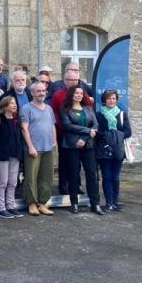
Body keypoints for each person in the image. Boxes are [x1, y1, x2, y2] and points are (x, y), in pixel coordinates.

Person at [59, 85, 103, 215]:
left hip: (88, 145)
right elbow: (67, 126)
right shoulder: (65, 109)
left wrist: (84, 137)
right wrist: (88, 131)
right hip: (72, 146)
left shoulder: (89, 109)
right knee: (73, 173)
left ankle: (95, 204)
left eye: (81, 93)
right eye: (76, 93)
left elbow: (95, 126)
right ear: (71, 95)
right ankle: (74, 203)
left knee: (91, 174)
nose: (79, 95)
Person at [51, 71, 93, 195]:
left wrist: (85, 131)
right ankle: (63, 185)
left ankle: (76, 185)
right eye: (70, 80)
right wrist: (61, 127)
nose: (73, 82)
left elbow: (89, 111)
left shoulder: (82, 94)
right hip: (63, 133)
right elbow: (54, 113)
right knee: (64, 161)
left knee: (78, 162)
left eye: (76, 80)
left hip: (82, 134)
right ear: (65, 80)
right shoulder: (58, 95)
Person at [20, 82, 57, 216]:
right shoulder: (26, 108)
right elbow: (24, 128)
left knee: (47, 177)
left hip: (48, 148)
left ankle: (42, 203)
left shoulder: (49, 108)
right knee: (31, 177)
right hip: (33, 149)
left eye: (43, 91)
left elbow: (52, 126)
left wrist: (54, 142)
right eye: (38, 91)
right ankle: (31, 203)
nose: (42, 93)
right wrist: (30, 146)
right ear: (32, 93)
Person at [95, 90, 132, 212]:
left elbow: (128, 132)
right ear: (104, 100)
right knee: (107, 176)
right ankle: (109, 202)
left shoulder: (121, 114)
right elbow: (96, 132)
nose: (111, 101)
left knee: (115, 177)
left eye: (114, 98)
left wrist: (115, 135)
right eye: (109, 98)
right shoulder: (99, 115)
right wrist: (107, 135)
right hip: (104, 150)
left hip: (118, 150)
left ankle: (115, 202)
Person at [0, 96, 24, 219]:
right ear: (5, 105)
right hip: (3, 155)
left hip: (15, 155)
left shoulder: (16, 121)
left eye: (15, 103)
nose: (14, 105)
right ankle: (1, 208)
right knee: (3, 182)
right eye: (11, 103)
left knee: (13, 182)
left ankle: (11, 206)